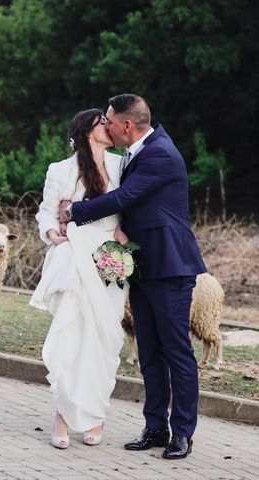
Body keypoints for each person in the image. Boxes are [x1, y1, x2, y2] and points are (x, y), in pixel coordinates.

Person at [59, 94, 206, 459]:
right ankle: (155, 427)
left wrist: (75, 212)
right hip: (141, 266)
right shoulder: (132, 152)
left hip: (170, 267)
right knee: (150, 352)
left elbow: (125, 196)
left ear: (127, 124)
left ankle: (182, 433)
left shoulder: (160, 153)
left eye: (108, 121)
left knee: (177, 352)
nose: (104, 126)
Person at [30, 108, 127, 449]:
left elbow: (132, 205)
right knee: (73, 332)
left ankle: (95, 415)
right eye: (103, 122)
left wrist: (124, 229)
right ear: (88, 130)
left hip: (109, 255)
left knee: (103, 337)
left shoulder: (122, 164)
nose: (110, 126)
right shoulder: (62, 170)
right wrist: (52, 231)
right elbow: (46, 210)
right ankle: (63, 414)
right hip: (74, 252)